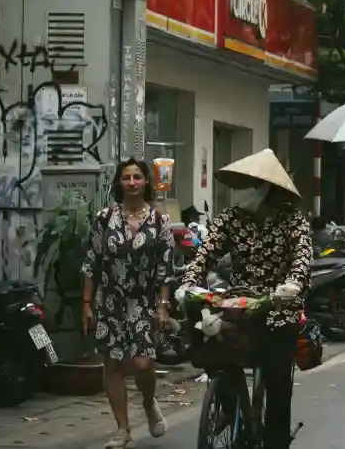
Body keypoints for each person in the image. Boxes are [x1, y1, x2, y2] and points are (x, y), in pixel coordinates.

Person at [179, 149, 313, 449]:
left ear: (269, 190)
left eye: (254, 186)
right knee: (210, 348)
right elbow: (205, 255)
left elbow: (302, 260)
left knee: (278, 383)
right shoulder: (231, 219)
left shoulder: (294, 221)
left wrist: (291, 286)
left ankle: (276, 441)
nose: (246, 193)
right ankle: (228, 402)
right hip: (240, 307)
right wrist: (188, 283)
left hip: (280, 309)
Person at [81, 158, 175, 449]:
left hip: (144, 302)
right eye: (126, 177)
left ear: (146, 182)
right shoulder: (104, 219)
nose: (132, 182)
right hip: (111, 301)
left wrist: (162, 306)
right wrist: (86, 302)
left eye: (137, 177)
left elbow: (166, 269)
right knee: (114, 366)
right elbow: (91, 262)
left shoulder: (160, 221)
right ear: (119, 183)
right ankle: (123, 430)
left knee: (143, 363)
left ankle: (148, 402)